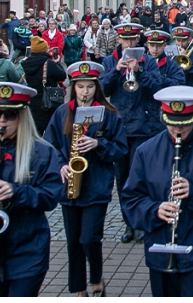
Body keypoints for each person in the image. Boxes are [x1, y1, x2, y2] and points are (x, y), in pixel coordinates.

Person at [121, 86, 193, 297]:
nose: (178, 131)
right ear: (164, 119)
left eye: (184, 124)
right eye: (172, 125)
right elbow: (130, 200)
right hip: (159, 252)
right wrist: (155, 210)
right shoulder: (146, 152)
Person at [0, 82, 63, 297]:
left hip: (28, 249)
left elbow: (51, 196)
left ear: (23, 117)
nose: (2, 121)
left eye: (10, 115)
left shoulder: (42, 152)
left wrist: (17, 192)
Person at [44, 61, 128, 297]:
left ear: (96, 87)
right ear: (74, 88)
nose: (85, 92)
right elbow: (49, 145)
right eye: (80, 87)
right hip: (70, 185)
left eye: (89, 87)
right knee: (73, 241)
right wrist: (60, 165)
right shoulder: (62, 113)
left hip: (97, 185)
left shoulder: (109, 113)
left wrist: (98, 143)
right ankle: (80, 287)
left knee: (89, 237)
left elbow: (121, 149)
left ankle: (97, 276)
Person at [100, 23, 179, 243]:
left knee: (144, 178)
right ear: (119, 40)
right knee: (122, 177)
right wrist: (116, 71)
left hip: (144, 127)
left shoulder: (149, 61)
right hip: (120, 128)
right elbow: (102, 90)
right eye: (126, 40)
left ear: (138, 41)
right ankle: (129, 224)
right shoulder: (109, 61)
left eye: (133, 40)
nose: (129, 44)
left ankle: (144, 221)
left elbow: (158, 89)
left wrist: (140, 71)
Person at [21, 36, 67, 136]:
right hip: (48, 101)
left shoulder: (25, 63)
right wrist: (57, 63)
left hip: (32, 101)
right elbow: (62, 76)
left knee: (35, 131)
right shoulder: (49, 64)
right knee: (50, 131)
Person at [172, 26, 193, 92]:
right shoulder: (172, 53)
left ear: (189, 40)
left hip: (192, 87)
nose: (181, 44)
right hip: (176, 88)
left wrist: (186, 60)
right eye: (178, 41)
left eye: (183, 41)